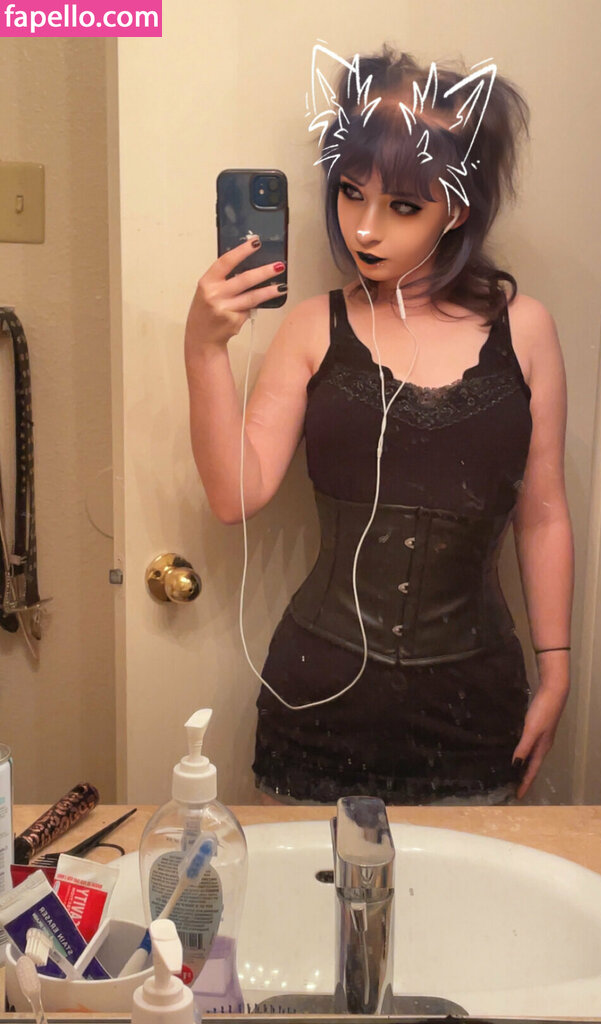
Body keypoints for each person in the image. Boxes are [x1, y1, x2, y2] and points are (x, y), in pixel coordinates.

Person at [184, 46, 573, 806]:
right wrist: (202, 349)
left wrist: (556, 671)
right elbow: (235, 495)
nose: (363, 230)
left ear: (456, 207)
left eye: (402, 206)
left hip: (474, 713)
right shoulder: (312, 326)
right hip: (316, 710)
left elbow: (545, 511)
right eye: (350, 192)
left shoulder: (524, 329)